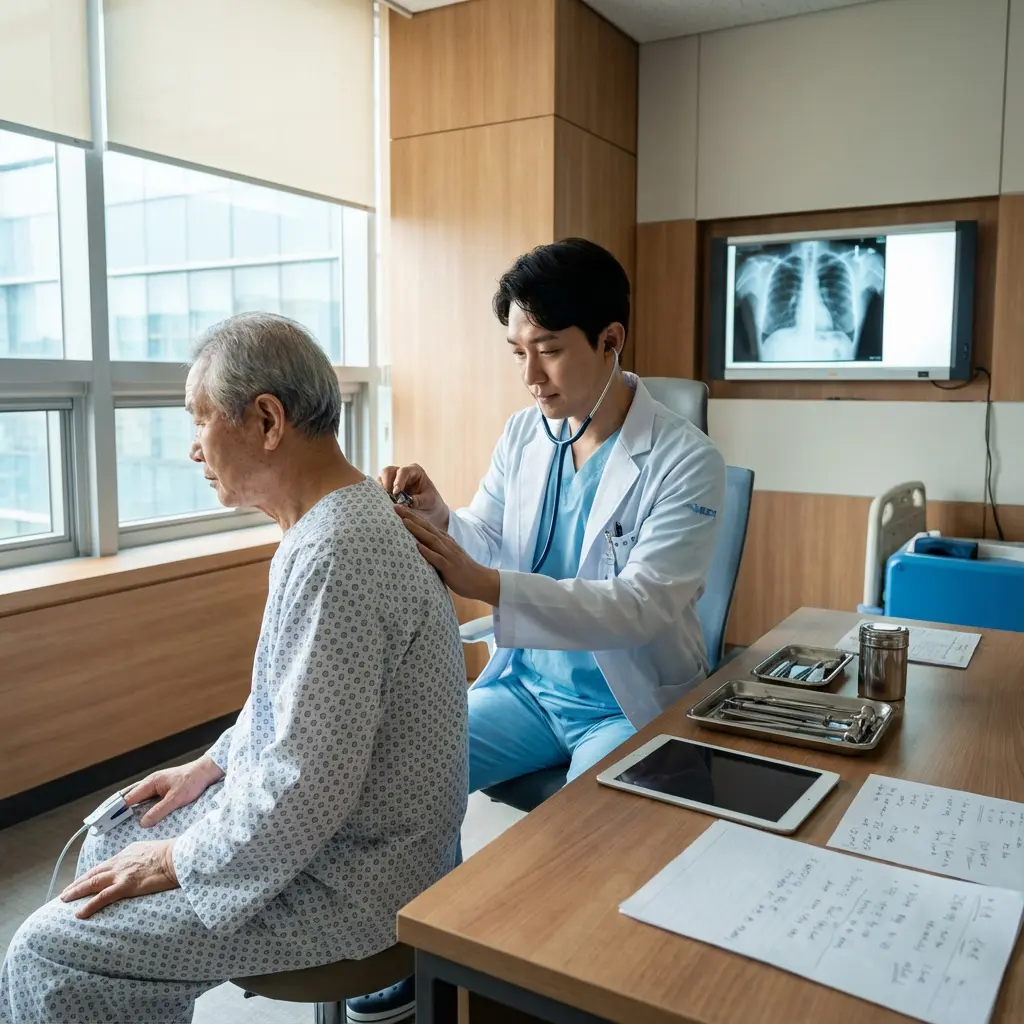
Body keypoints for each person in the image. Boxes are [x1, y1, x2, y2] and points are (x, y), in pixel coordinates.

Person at [0, 313, 468, 1024]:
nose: (193, 449)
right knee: (114, 832)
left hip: (361, 879)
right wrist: (211, 768)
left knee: (49, 947)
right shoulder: (337, 522)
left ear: (267, 420)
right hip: (362, 840)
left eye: (201, 421)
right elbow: (292, 706)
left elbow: (303, 785)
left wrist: (175, 861)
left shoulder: (336, 557)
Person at [350, 238, 725, 1022]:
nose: (531, 376)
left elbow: (642, 604)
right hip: (524, 685)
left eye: (550, 351)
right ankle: (424, 955)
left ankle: (528, 988)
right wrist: (440, 516)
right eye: (519, 351)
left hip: (619, 702)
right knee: (406, 772)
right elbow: (493, 535)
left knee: (576, 857)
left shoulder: (685, 460)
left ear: (611, 341)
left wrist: (481, 583)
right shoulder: (529, 434)